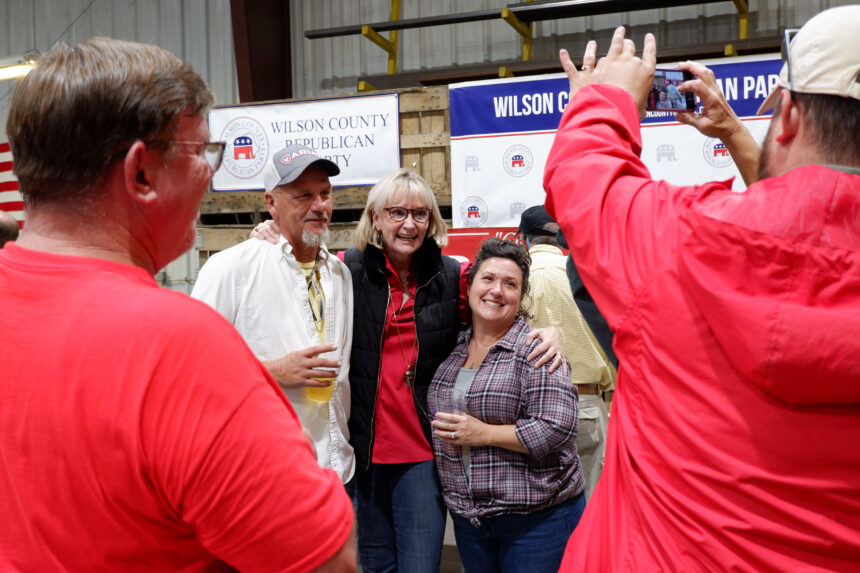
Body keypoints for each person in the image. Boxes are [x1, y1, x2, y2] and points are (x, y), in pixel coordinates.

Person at [0, 37, 355, 571]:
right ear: (141, 173)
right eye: (200, 153)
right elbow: (327, 557)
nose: (209, 174)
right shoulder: (179, 345)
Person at [545, 6, 860, 571]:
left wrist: (605, 98)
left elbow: (585, 176)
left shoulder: (683, 240)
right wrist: (735, 133)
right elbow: (821, 225)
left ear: (786, 118)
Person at [252, 168, 564, 572]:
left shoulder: (452, 276)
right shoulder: (346, 270)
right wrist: (268, 231)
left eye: (419, 214)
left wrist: (549, 329)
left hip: (420, 451)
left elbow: (501, 301)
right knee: (375, 564)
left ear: (431, 223)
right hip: (361, 450)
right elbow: (295, 258)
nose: (408, 224)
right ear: (376, 218)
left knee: (419, 564)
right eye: (397, 212)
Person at [192, 143, 355, 484]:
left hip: (337, 471)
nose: (319, 206)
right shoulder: (231, 269)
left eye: (325, 193)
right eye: (303, 195)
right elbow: (190, 373)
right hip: (266, 477)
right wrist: (274, 371)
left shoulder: (339, 274)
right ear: (271, 203)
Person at [429, 238, 584, 573]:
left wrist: (483, 433)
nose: (496, 290)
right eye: (488, 279)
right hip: (472, 520)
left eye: (510, 284)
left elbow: (557, 427)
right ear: (470, 286)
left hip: (535, 520)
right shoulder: (453, 348)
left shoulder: (536, 350)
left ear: (521, 296)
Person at [518, 205, 615, 499]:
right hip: (587, 402)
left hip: (531, 407)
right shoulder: (586, 274)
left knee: (537, 510)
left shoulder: (512, 280)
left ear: (524, 238)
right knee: (591, 509)